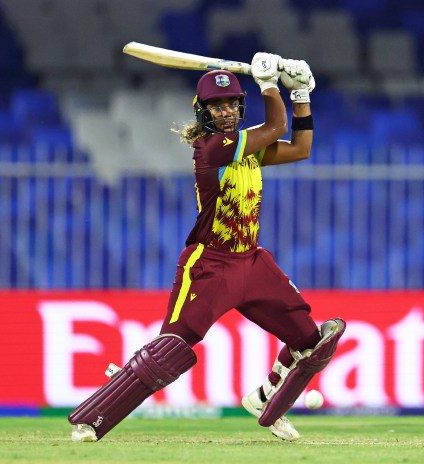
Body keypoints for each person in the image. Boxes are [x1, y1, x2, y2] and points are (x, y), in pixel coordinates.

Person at [68, 52, 346, 443]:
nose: (227, 111)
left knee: (311, 342)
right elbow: (278, 124)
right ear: (203, 113)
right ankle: (93, 417)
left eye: (232, 103)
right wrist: (273, 84)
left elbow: (300, 148)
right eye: (217, 106)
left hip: (252, 263)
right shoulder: (213, 148)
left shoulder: (248, 147)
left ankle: (265, 397)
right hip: (210, 266)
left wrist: (302, 94)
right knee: (171, 351)